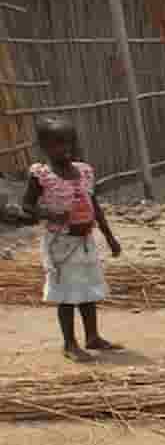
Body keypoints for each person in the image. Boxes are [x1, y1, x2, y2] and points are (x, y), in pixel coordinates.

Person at [21, 116, 122, 362]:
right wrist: (51, 214)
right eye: (57, 144)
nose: (64, 149)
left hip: (85, 242)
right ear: (44, 146)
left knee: (88, 291)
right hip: (61, 243)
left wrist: (109, 237)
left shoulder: (84, 171)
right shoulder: (42, 175)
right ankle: (69, 343)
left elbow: (94, 205)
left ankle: (92, 336)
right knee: (66, 294)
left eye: (68, 143)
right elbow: (27, 206)